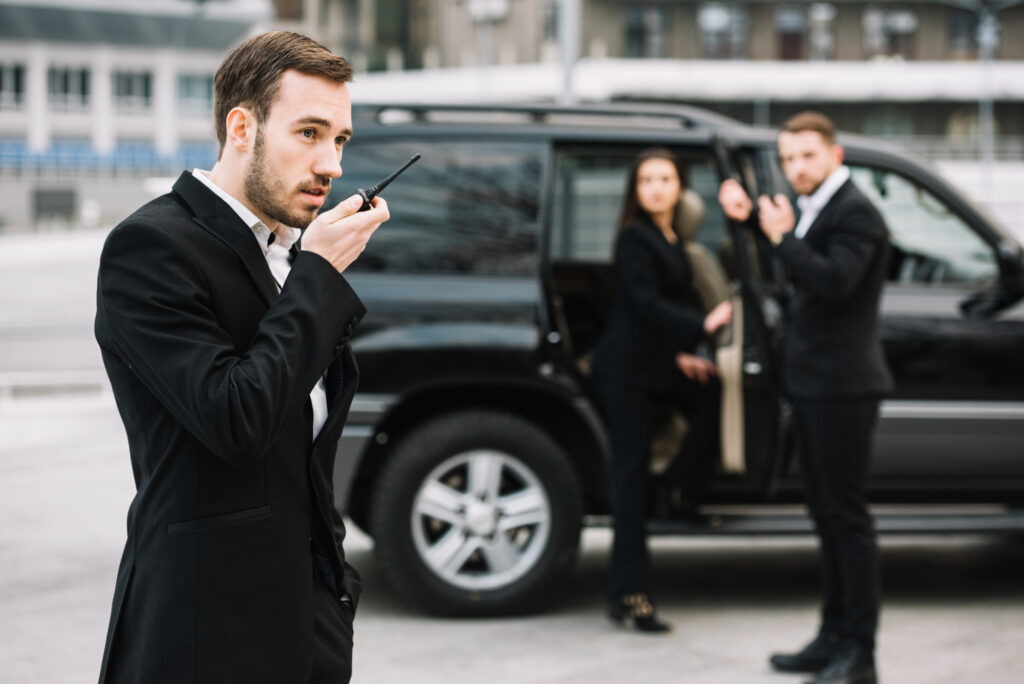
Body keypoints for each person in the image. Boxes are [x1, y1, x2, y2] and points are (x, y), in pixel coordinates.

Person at [94, 32, 390, 684]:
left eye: (340, 140)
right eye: (310, 133)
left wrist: (332, 585)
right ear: (241, 127)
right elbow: (235, 418)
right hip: (204, 629)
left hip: (306, 619)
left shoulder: (286, 254)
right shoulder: (152, 247)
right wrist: (317, 278)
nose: (332, 163)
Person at [719, 111, 892, 684]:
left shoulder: (858, 213)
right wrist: (752, 227)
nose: (796, 167)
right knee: (824, 515)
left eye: (807, 156)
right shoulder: (820, 209)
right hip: (814, 385)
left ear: (835, 156)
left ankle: (860, 652)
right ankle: (832, 634)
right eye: (789, 158)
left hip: (844, 388)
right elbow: (797, 266)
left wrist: (780, 236)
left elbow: (832, 282)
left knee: (847, 520)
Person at [592, 148, 732, 633]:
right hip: (625, 372)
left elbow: (658, 308)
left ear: (679, 188)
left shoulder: (672, 236)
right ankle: (629, 596)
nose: (656, 187)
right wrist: (703, 326)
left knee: (711, 394)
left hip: (657, 363)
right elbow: (643, 303)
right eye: (647, 179)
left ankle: (677, 488)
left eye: (665, 178)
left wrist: (681, 353)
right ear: (637, 189)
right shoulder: (635, 237)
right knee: (629, 481)